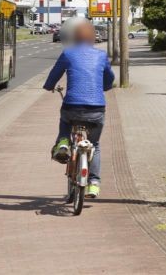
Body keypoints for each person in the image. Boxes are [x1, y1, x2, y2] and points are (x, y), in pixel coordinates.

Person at [43, 19, 114, 199]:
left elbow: (54, 75)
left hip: (72, 106)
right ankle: (94, 184)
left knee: (65, 122)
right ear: (92, 38)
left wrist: (49, 85)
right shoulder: (101, 56)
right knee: (95, 145)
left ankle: (64, 143)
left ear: (74, 37)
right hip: (97, 110)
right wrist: (104, 87)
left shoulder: (68, 53)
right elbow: (109, 78)